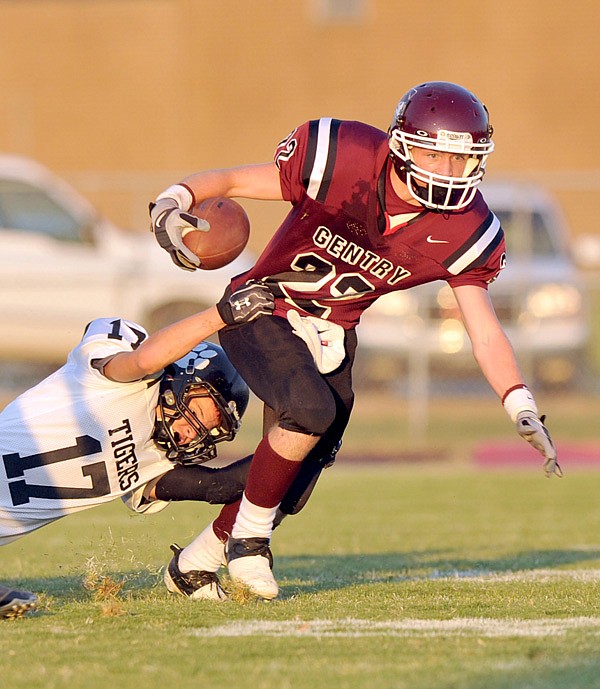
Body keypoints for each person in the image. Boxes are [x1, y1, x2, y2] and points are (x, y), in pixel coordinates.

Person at [150, 80, 561, 601]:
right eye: (442, 157)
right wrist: (174, 199)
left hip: (333, 333)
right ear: (405, 146)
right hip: (261, 307)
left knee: (290, 486)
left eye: (464, 161)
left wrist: (519, 403)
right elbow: (230, 181)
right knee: (310, 412)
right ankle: (249, 542)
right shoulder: (345, 160)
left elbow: (482, 329)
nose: (454, 174)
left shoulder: (466, 227)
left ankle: (193, 563)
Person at [0, 281, 276, 614]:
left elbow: (222, 485)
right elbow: (146, 359)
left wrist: (299, 445)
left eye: (212, 431)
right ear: (183, 379)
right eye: (201, 414)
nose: (195, 433)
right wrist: (222, 315)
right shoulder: (127, 381)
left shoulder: (155, 457)